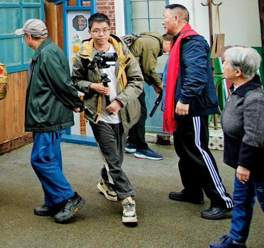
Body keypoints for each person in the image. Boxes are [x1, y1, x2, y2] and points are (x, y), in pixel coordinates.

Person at [210, 47, 264, 248]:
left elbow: (254, 135)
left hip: (260, 164)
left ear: (238, 71)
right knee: (241, 201)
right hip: (245, 162)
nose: (223, 66)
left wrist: (244, 165)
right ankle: (236, 241)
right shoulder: (239, 91)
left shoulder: (254, 98)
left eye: (226, 62)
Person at [162, 4, 234, 220]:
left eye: (165, 17)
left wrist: (185, 98)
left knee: (197, 150)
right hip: (182, 106)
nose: (163, 21)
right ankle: (193, 191)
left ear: (176, 18)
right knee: (184, 150)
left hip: (191, 106)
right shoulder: (180, 41)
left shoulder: (192, 41)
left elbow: (196, 73)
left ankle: (222, 201)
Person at [71, 13, 143, 226]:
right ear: (89, 32)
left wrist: (119, 101)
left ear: (110, 30)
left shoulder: (122, 52)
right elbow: (75, 80)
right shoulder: (84, 55)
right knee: (113, 159)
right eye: (96, 31)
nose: (100, 34)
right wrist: (93, 86)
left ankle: (105, 181)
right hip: (98, 115)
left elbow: (137, 81)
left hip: (123, 114)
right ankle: (128, 200)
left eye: (104, 30)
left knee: (117, 158)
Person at [16, 18, 85, 224]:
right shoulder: (48, 51)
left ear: (29, 36)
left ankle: (68, 197)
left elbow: (61, 84)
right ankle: (55, 201)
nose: (24, 39)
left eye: (24, 36)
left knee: (41, 159)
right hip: (47, 114)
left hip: (47, 115)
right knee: (51, 158)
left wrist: (75, 103)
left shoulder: (46, 54)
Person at [123, 31, 172, 160]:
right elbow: (148, 69)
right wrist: (159, 85)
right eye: (170, 49)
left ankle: (132, 142)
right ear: (169, 43)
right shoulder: (153, 44)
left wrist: (154, 84)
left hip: (126, 79)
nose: (168, 52)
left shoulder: (147, 39)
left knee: (136, 111)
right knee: (140, 112)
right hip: (131, 81)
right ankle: (141, 148)